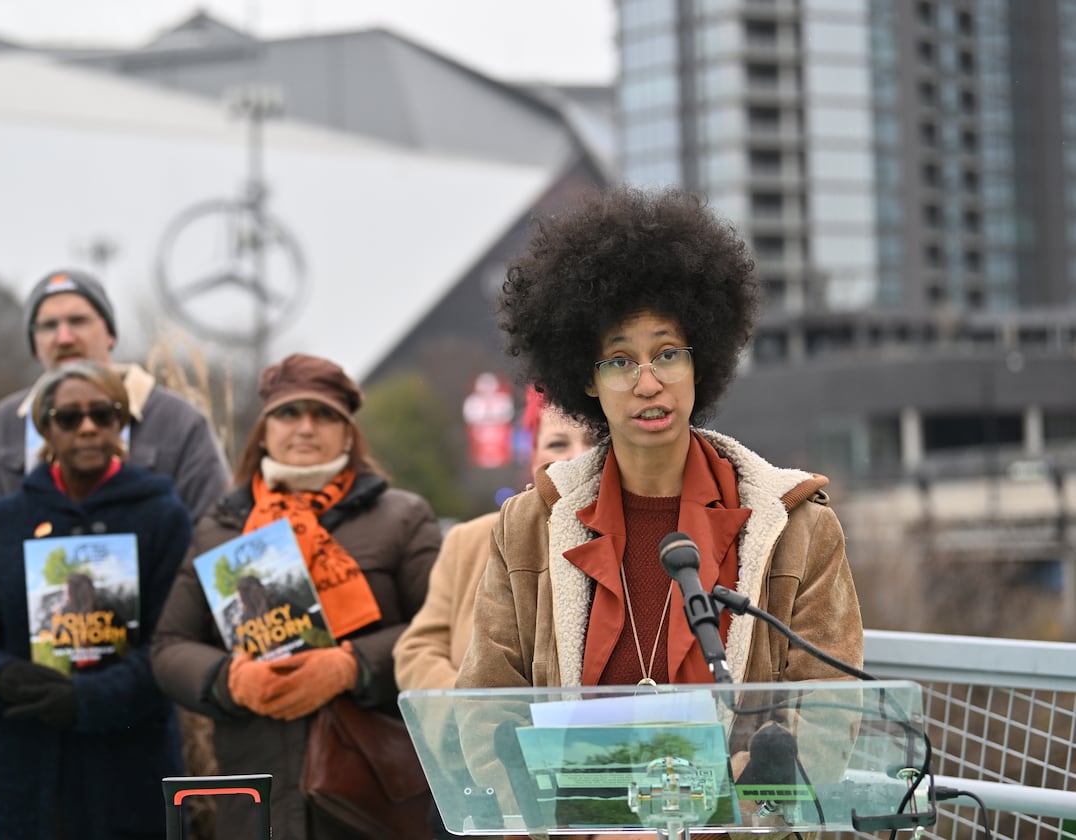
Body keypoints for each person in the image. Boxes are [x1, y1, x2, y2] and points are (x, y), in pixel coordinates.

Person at [453, 187, 863, 831]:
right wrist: (546, 812)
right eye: (620, 359)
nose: (648, 382)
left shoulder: (798, 527)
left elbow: (831, 714)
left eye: (668, 352)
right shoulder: (530, 525)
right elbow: (484, 707)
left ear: (703, 359)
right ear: (585, 380)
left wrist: (748, 802)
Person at [151, 352, 442, 840]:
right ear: (264, 429)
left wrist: (352, 666)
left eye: (324, 414)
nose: (305, 427)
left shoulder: (403, 516)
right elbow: (168, 646)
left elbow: (441, 630)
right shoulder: (221, 528)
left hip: (370, 798)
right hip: (253, 793)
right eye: (289, 412)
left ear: (349, 432)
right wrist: (230, 678)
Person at [0, 360, 193, 839]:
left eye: (102, 415)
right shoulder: (3, 522)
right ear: (45, 428)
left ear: (120, 423)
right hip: (27, 772)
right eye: (68, 418)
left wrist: (87, 700)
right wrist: (1, 677)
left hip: (130, 772)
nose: (87, 428)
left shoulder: (164, 516)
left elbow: (173, 643)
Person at [0, 268, 231, 529]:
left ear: (110, 334)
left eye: (78, 321)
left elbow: (214, 526)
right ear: (34, 344)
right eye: (49, 326)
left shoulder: (178, 421)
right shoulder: (1, 427)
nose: (64, 338)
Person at [394, 387, 595, 693]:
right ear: (533, 455)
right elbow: (417, 650)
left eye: (593, 442)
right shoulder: (468, 541)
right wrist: (473, 713)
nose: (576, 457)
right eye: (557, 444)